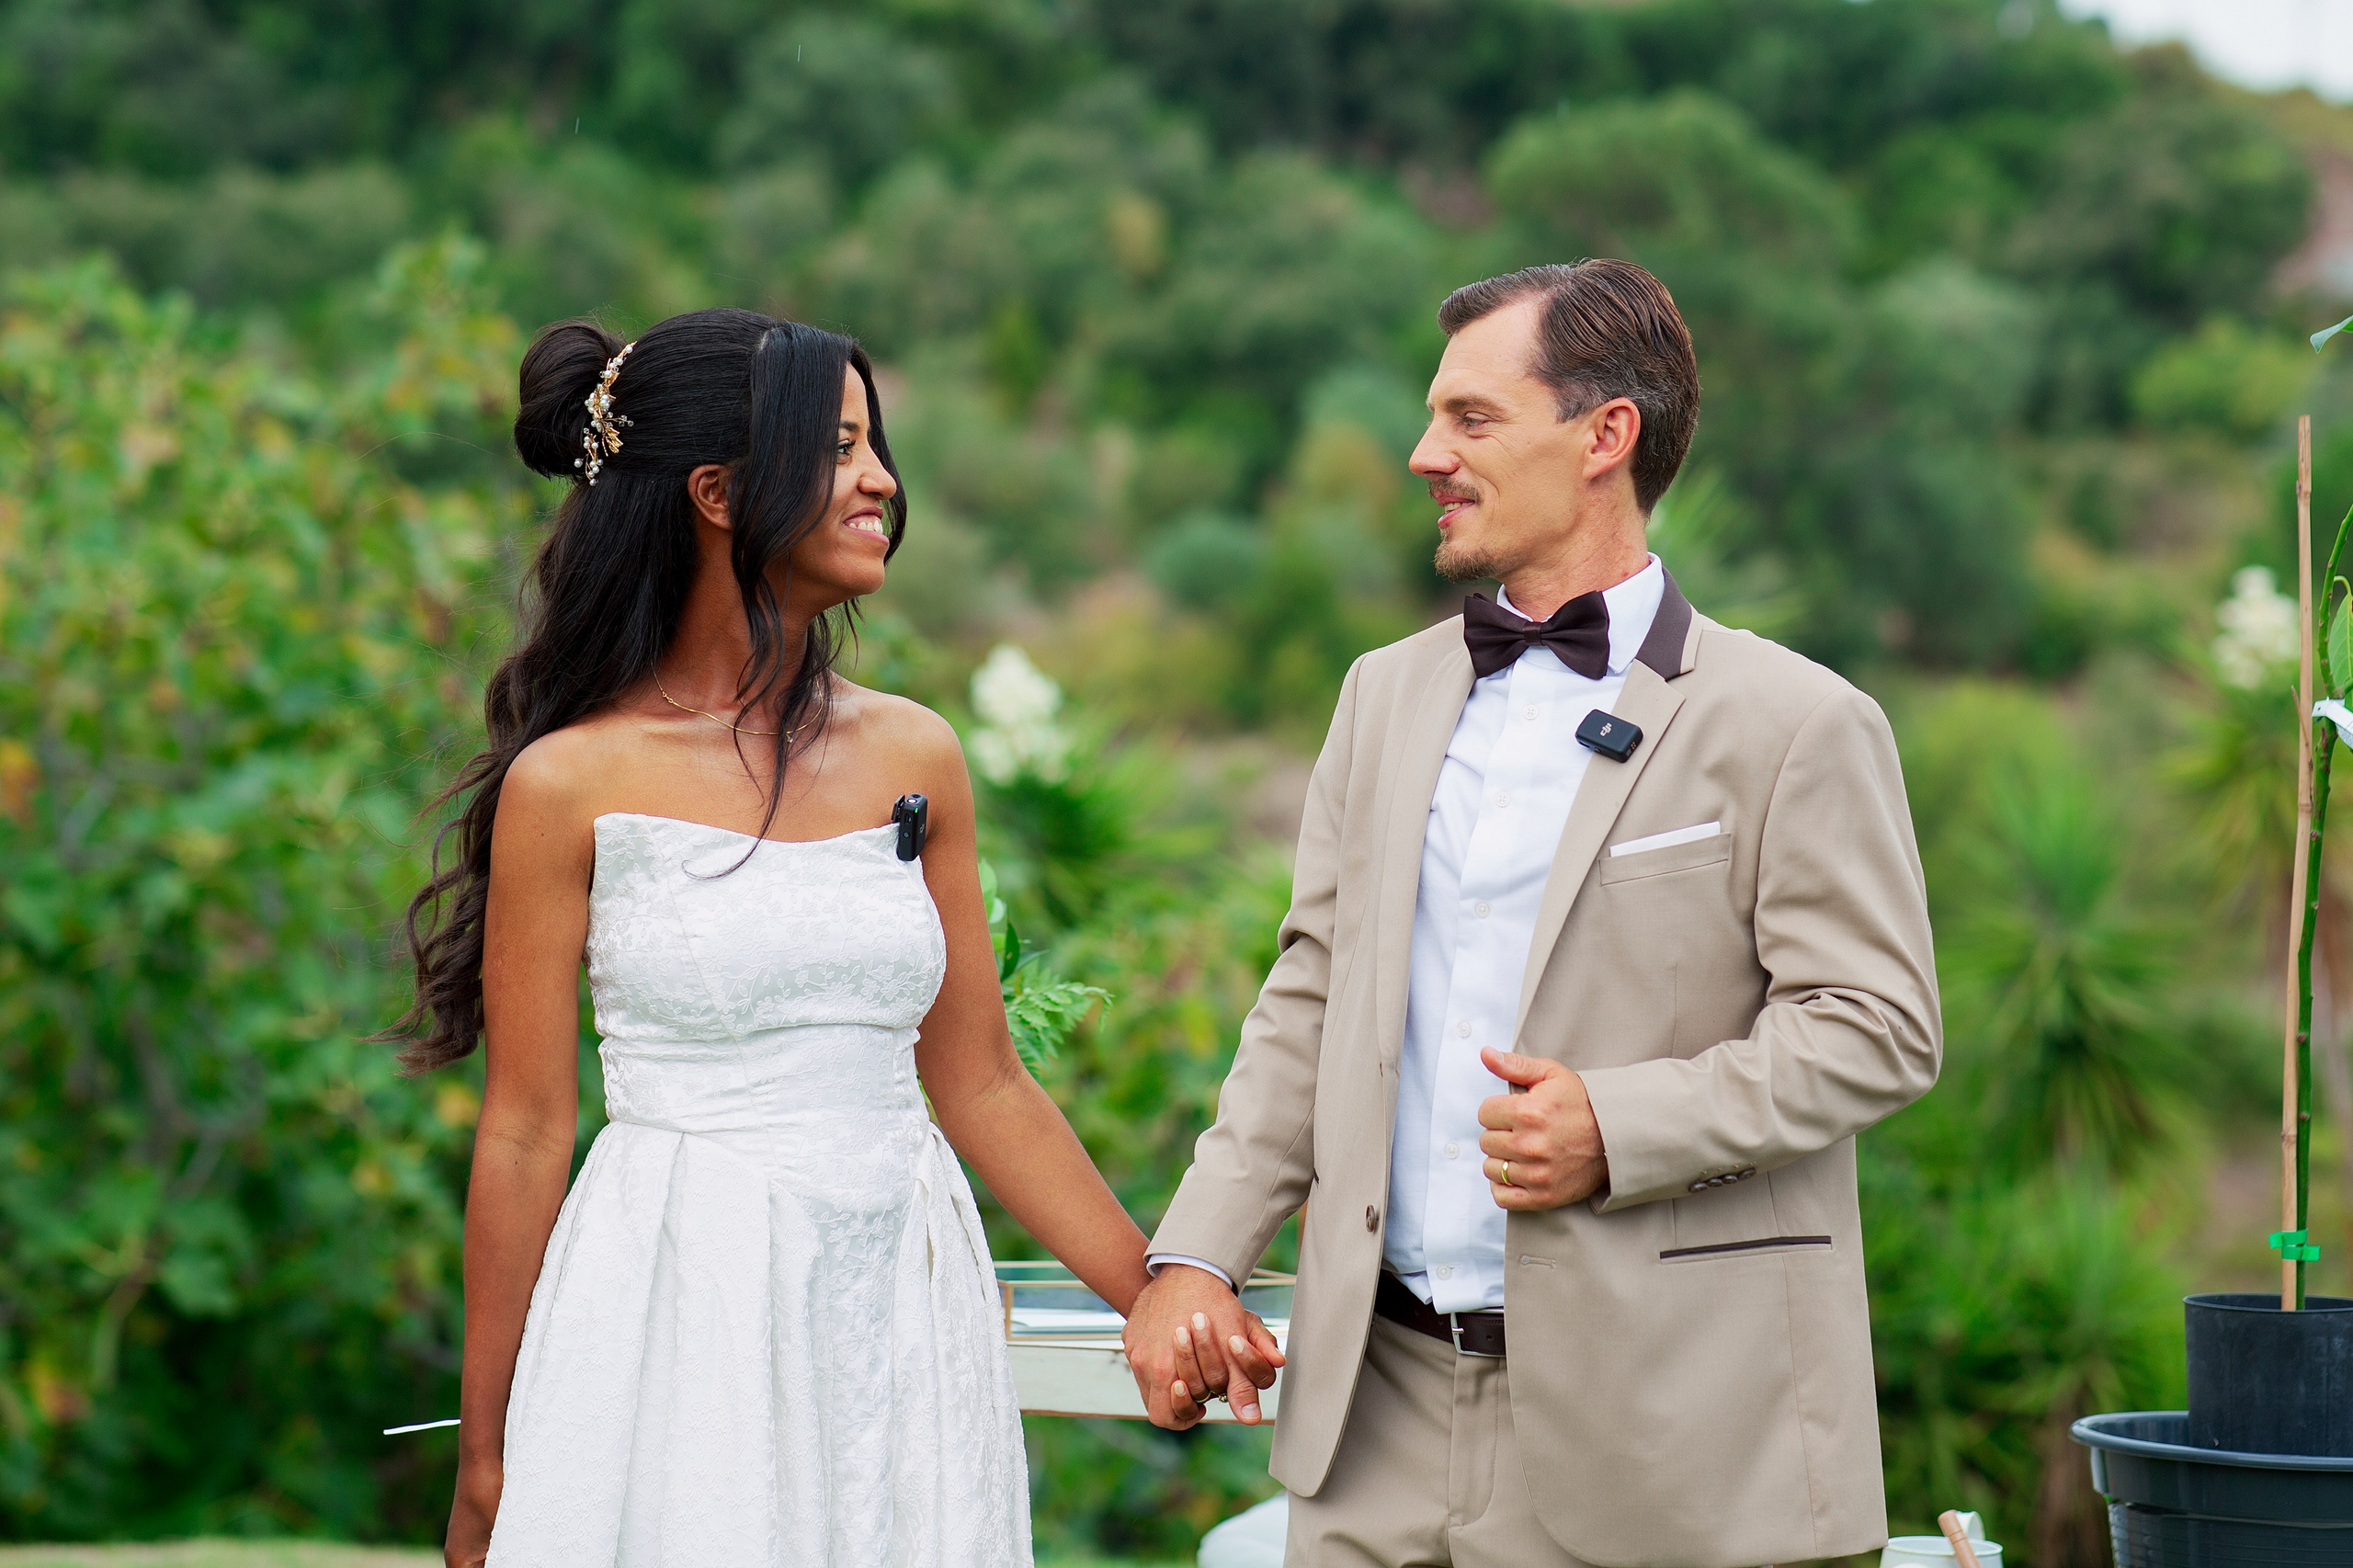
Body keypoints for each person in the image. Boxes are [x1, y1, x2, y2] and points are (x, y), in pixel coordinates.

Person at [1123, 261, 1941, 1568]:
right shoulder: (1379, 696)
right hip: (1369, 1412)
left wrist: (1620, 1125)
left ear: (1606, 434)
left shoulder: (1798, 721)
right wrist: (1197, 1254)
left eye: (1471, 419)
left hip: (1663, 1428)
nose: (1423, 453)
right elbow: (1311, 1003)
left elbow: (1879, 1026)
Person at [385, 308, 1232, 1567]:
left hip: (900, 1288)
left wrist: (1151, 1290)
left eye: (872, 442)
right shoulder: (569, 785)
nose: (883, 477)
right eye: (838, 447)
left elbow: (983, 1079)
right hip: (684, 1293)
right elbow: (523, 1127)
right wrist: (489, 1452)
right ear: (719, 493)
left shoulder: (916, 754)